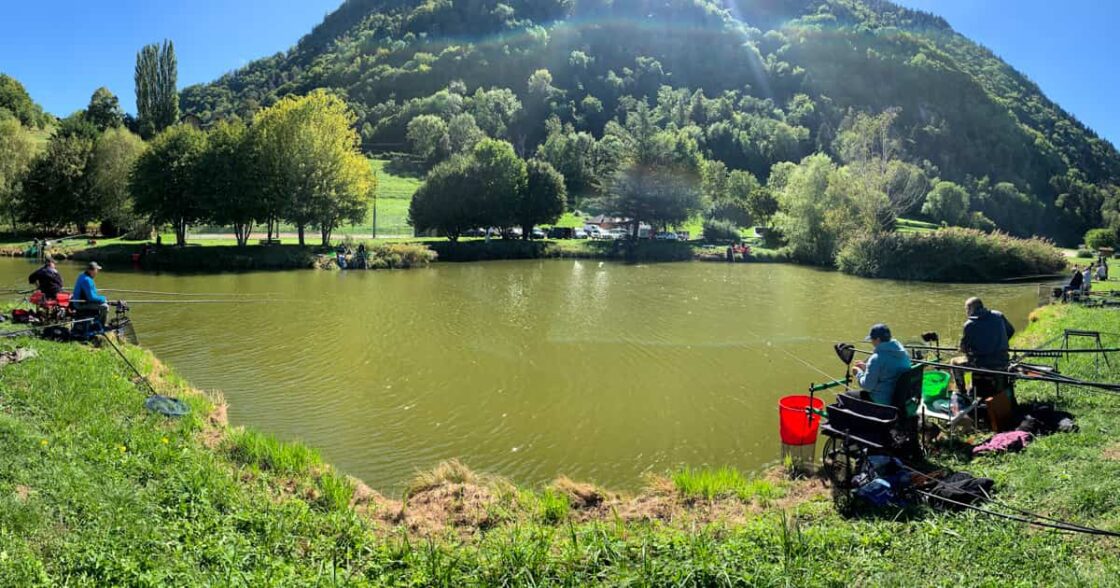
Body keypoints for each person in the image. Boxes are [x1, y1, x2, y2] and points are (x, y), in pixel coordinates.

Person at [950, 297, 1015, 394]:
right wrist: (999, 343)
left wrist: (964, 349)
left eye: (966, 309)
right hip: (1003, 359)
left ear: (970, 309)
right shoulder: (998, 315)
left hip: (982, 363)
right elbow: (1011, 330)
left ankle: (961, 391)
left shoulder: (969, 324)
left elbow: (963, 348)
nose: (966, 312)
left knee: (954, 362)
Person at [849, 323, 911, 406]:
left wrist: (858, 373)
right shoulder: (903, 353)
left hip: (882, 401)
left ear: (877, 339)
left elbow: (867, 386)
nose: (871, 342)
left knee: (847, 396)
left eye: (872, 339)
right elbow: (887, 370)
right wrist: (866, 368)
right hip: (901, 399)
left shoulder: (876, 358)